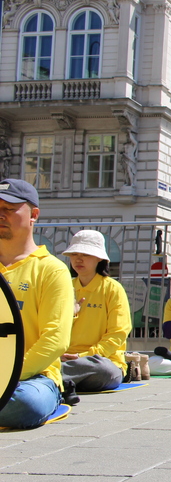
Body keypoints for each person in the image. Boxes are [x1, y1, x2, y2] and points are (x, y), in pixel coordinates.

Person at [0, 179, 74, 429]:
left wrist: (7, 377)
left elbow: (55, 339)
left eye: (9, 209)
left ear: (33, 215)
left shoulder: (51, 270)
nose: (1, 215)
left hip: (30, 378)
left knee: (27, 402)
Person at [60, 230, 132, 399]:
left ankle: (53, 380)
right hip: (63, 358)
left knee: (104, 371)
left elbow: (117, 334)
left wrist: (83, 356)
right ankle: (60, 381)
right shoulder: (64, 287)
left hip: (102, 361)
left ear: (99, 258)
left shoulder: (112, 289)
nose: (78, 259)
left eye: (85, 254)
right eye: (74, 254)